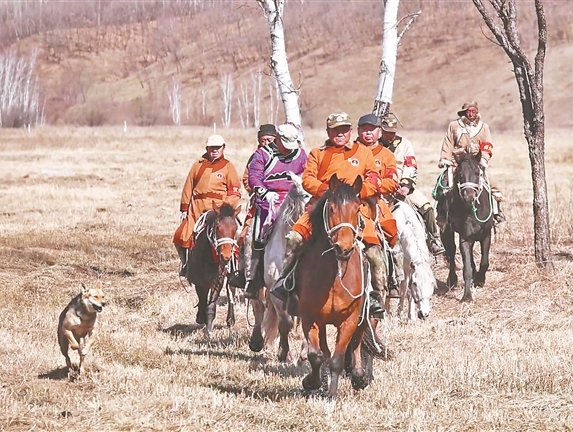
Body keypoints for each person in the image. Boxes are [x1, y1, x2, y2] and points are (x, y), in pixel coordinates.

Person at [270, 112, 388, 319]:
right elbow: (308, 179)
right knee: (295, 238)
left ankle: (374, 296)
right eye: (335, 130)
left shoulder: (363, 152)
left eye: (344, 130)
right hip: (322, 208)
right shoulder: (318, 153)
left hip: (354, 210)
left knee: (373, 252)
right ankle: (287, 284)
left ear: (350, 131)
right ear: (328, 132)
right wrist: (328, 192)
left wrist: (352, 194)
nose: (340, 134)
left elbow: (374, 179)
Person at [242, 123, 308, 299]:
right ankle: (251, 277)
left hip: (295, 198)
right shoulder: (262, 154)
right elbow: (254, 177)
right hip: (269, 201)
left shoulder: (301, 154)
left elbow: (308, 173)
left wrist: (302, 187)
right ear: (277, 139)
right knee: (252, 236)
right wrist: (264, 192)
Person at [173, 134, 242, 279]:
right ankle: (187, 265)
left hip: (220, 211)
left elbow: (234, 191)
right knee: (180, 236)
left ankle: (235, 271)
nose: (215, 150)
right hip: (197, 209)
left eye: (218, 148)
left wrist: (225, 210)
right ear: (207, 148)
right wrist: (184, 209)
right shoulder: (197, 165)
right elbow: (188, 186)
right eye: (212, 148)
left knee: (237, 236)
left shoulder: (228, 167)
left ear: (223, 148)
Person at [378, 113, 446, 255]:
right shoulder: (375, 146)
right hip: (382, 190)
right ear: (381, 130)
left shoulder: (405, 144)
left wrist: (405, 185)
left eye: (392, 133)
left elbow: (411, 165)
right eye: (386, 132)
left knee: (427, 208)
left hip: (403, 188)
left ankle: (433, 240)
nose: (389, 136)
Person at [355, 113, 404, 293]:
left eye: (372, 129)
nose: (368, 133)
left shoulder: (386, 155)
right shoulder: (349, 151)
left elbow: (392, 182)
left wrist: (370, 187)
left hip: (377, 202)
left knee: (391, 230)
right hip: (352, 202)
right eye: (364, 129)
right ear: (358, 131)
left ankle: (395, 276)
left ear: (379, 132)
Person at [437, 101, 505, 226]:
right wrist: (445, 158)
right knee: (445, 183)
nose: (471, 114)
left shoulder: (484, 127)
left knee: (491, 182)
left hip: (476, 162)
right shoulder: (454, 126)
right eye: (469, 112)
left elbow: (487, 144)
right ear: (464, 113)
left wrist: (484, 158)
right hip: (458, 161)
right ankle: (442, 214)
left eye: (474, 111)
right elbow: (448, 143)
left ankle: (496, 212)